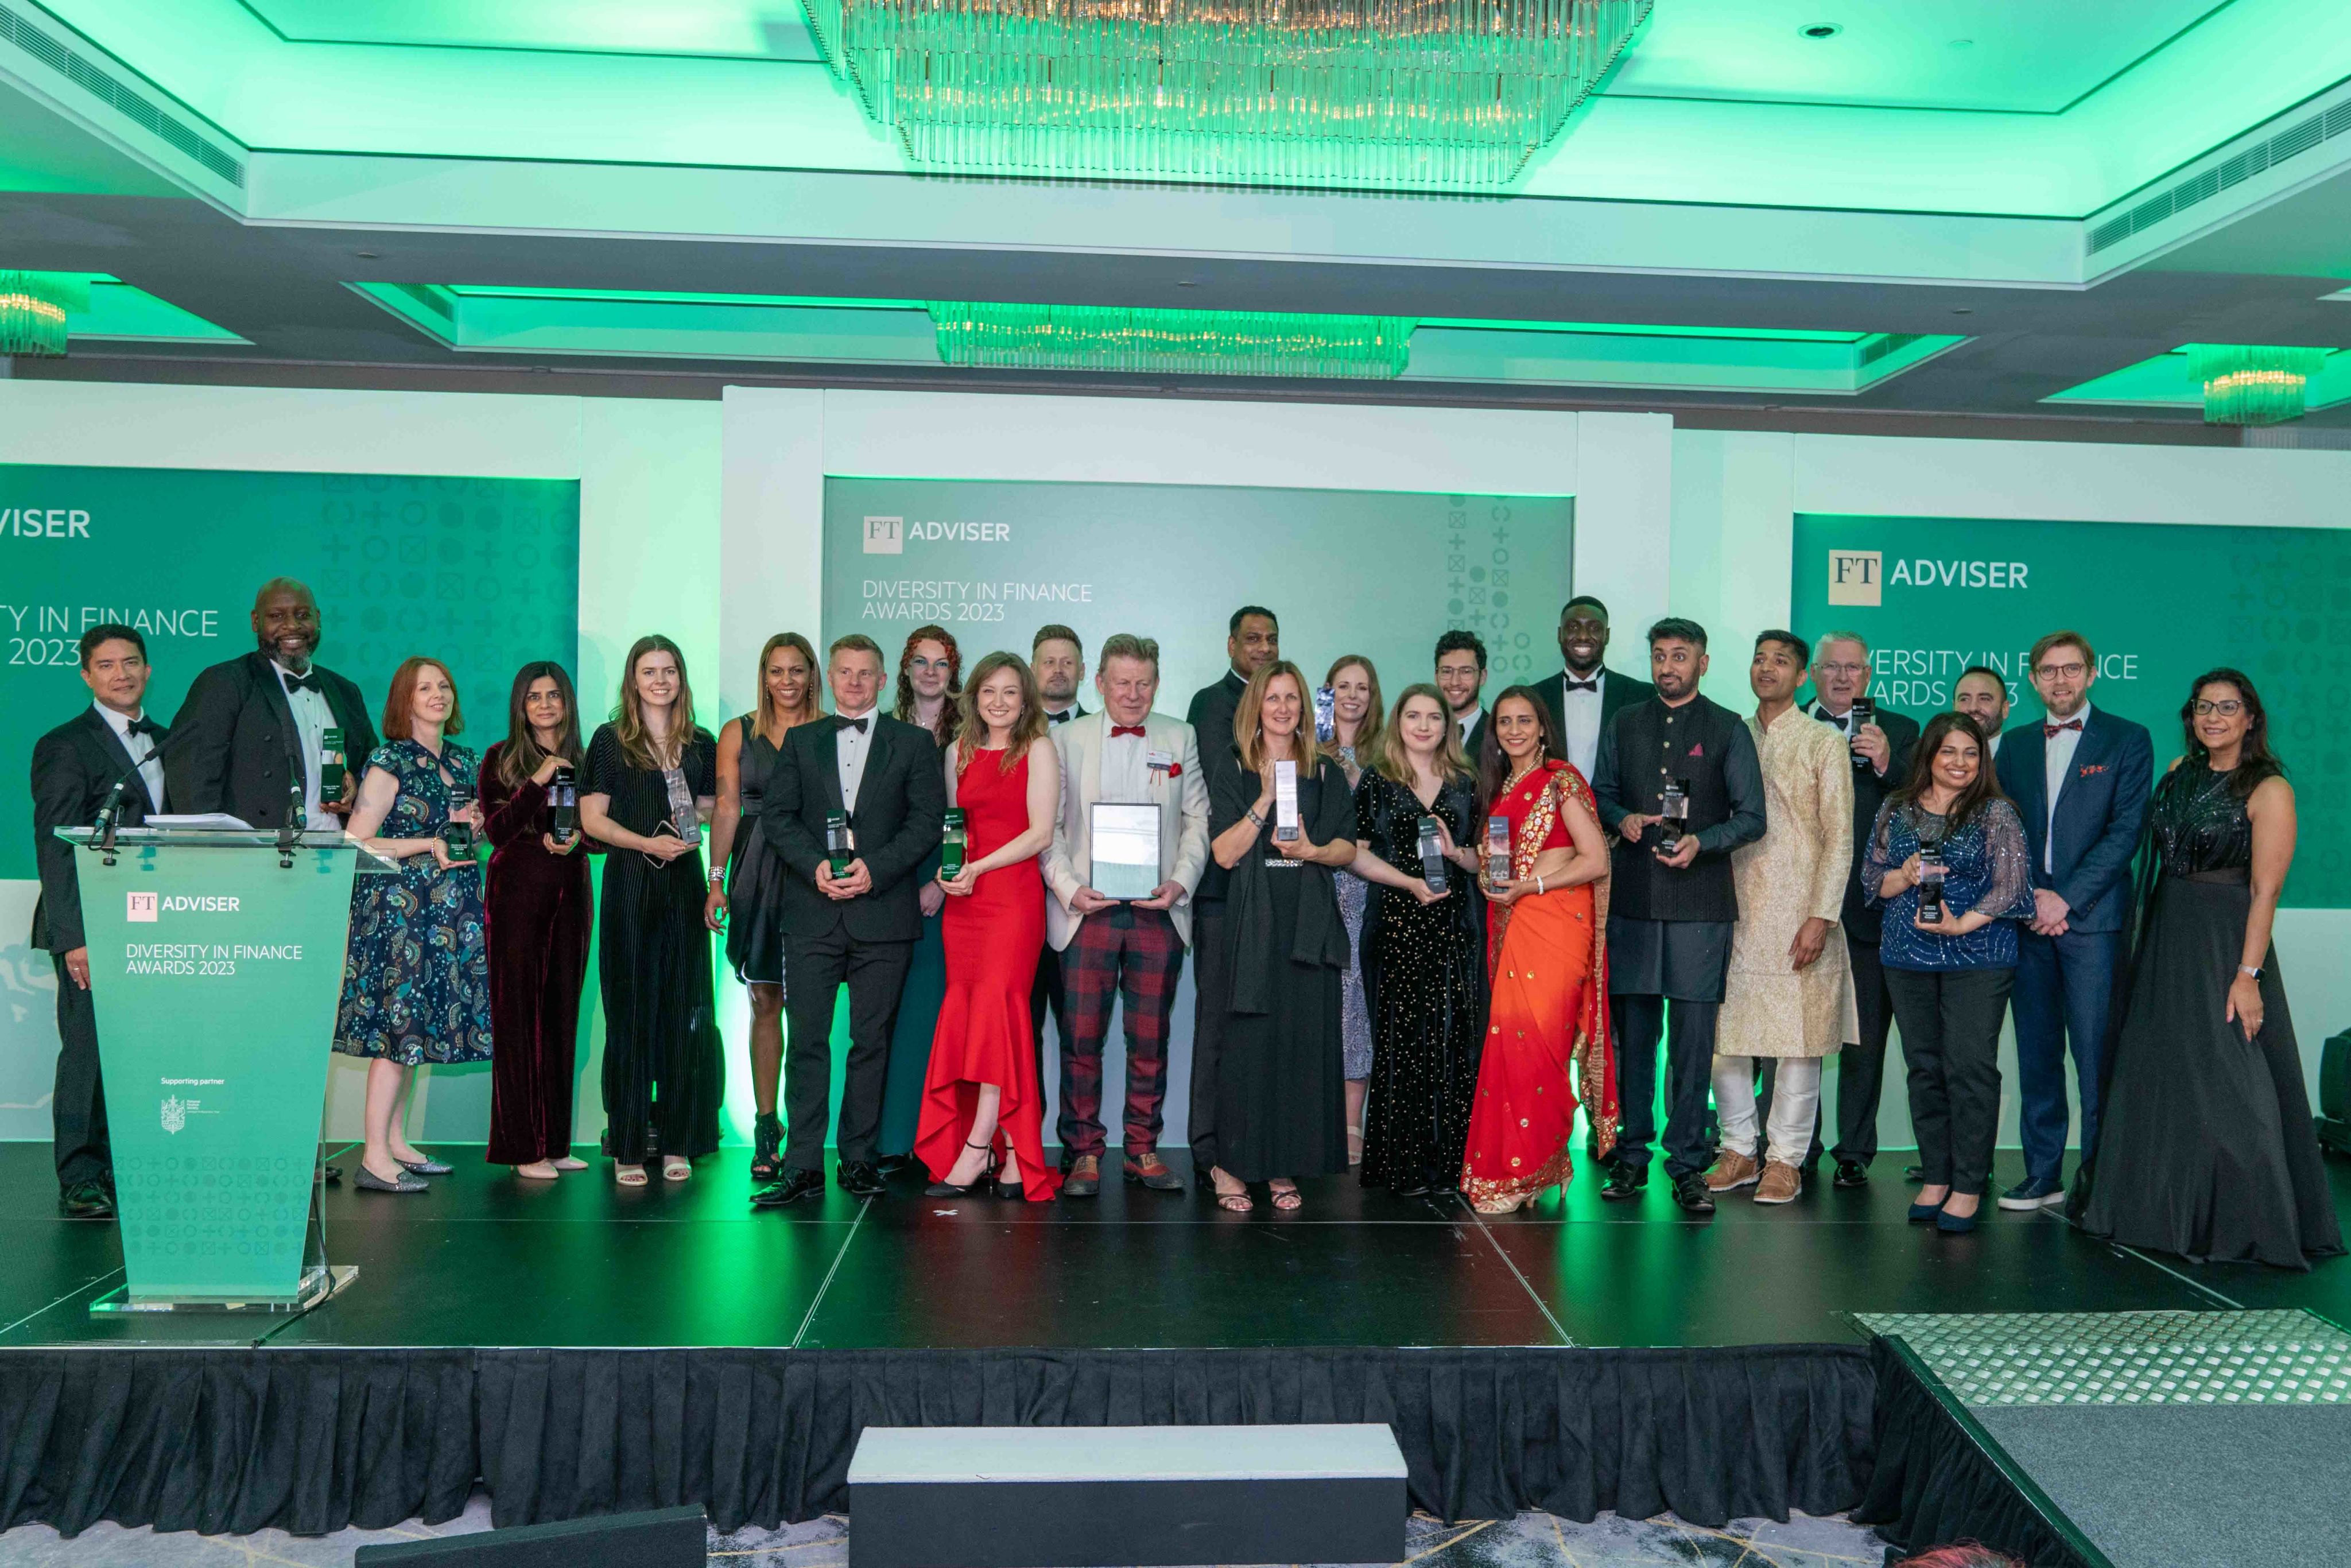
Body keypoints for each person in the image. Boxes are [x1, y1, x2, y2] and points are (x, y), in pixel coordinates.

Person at [2071, 671, 2342, 1269]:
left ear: (2251, 718)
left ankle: (2244, 1219)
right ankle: (2158, 1213)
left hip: (2224, 943)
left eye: (2227, 707)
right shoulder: (2177, 771)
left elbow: (2265, 891)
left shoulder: (2270, 789)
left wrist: (2248, 975)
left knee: (2229, 1075)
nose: (2213, 717)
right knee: (2164, 1071)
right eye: (2203, 707)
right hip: (2167, 936)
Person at [757, 634, 946, 1205]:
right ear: (830, 679)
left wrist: (876, 870)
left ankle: (859, 1159)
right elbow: (778, 816)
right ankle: (802, 1165)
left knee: (871, 1042)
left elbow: (926, 822)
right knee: (807, 1043)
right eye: (845, 672)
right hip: (810, 913)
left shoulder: (914, 743)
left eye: (867, 673)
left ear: (884, 681)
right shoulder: (801, 740)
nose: (856, 682)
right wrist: (815, 865)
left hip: (883, 914)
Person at [1593, 618, 1766, 1216]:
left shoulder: (1727, 727)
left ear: (1703, 663)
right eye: (1660, 656)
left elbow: (1752, 816)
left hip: (1700, 905)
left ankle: (1689, 1164)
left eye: (1680, 656)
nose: (1668, 666)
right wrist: (1621, 818)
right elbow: (1599, 793)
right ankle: (1630, 1154)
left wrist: (1702, 841)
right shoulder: (1625, 721)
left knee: (1694, 1046)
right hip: (1634, 903)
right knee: (1634, 1040)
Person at [1042, 635, 1210, 1196]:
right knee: (1081, 1039)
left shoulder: (1179, 736)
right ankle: (1083, 1153)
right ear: (1100, 683)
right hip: (1086, 911)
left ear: (1157, 683)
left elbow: (1197, 820)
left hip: (1156, 910)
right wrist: (1070, 889)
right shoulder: (1063, 739)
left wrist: (1180, 881)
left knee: (1150, 1038)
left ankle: (1142, 1148)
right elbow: (1048, 827)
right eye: (1122, 682)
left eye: (1143, 683)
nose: (1133, 694)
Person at [1992, 630, 2152, 1211]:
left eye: (2071, 668)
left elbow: (2125, 832)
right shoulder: (2014, 744)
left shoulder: (2128, 738)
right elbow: (2001, 828)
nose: (2060, 680)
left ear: (2091, 673)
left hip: (2093, 924)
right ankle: (2043, 1173)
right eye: (2048, 670)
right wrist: (2032, 898)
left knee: (2095, 1059)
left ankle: (2100, 1180)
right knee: (2036, 1056)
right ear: (2033, 679)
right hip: (2028, 921)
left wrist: (2065, 900)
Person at [1867, 713, 2035, 1233]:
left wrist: (1961, 924)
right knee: (1924, 1068)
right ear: (1929, 756)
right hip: (1906, 955)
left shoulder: (1996, 813)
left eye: (1971, 753)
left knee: (1970, 1068)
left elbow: (2013, 888)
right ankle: (1936, 1177)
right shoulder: (1895, 808)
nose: (1960, 763)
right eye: (1949, 751)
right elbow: (1872, 880)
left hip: (1978, 955)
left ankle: (1967, 1184)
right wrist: (1902, 875)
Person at [333, 657, 492, 1193]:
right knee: (395, 1031)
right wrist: (430, 842)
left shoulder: (466, 760)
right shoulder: (389, 759)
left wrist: (475, 826)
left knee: (416, 1031)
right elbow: (356, 842)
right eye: (425, 688)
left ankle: (398, 1144)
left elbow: (469, 836)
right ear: (405, 699)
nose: (438, 695)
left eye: (444, 686)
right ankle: (374, 1157)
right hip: (399, 913)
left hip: (450, 908)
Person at [1205, 660, 1357, 1212]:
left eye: (1292, 698)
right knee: (1248, 1048)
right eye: (1273, 697)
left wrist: (1313, 849)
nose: (1283, 707)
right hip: (1253, 923)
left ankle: (1281, 1167)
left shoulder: (1326, 771)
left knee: (1299, 1048)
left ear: (1304, 707)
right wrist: (1266, 797)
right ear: (1257, 706)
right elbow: (1224, 854)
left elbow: (1348, 847)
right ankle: (1230, 1166)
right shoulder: (1233, 766)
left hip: (1308, 925)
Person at [1710, 631, 1853, 1205]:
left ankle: (1785, 1159)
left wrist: (1821, 915)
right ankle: (1737, 1149)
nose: (1766, 669)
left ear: (1802, 676)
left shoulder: (1823, 741)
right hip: (1731, 909)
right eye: (1759, 659)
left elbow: (1839, 838)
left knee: (1798, 1039)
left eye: (1781, 661)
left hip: (1800, 912)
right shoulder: (1730, 735)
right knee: (1725, 1037)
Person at [1459, 688, 1616, 1214]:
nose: (1514, 730)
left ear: (1543, 728)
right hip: (1515, 925)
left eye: (1524, 720)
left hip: (1556, 926)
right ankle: (1539, 1167)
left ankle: (1531, 1171)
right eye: (1505, 722)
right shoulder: (1501, 789)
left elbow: (1595, 859)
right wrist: (1472, 862)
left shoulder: (1560, 779)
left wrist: (1533, 887)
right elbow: (1500, 867)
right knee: (1512, 1047)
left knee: (1539, 1049)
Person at [30, 624, 168, 1219]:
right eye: (107, 665)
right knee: (88, 1050)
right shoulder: (64, 744)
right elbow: (56, 846)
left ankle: (125, 1166)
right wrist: (76, 938)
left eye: (131, 662)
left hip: (158, 921)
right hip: (93, 923)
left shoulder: (170, 741)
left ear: (148, 669)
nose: (121, 674)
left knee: (143, 1049)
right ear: (87, 676)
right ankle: (81, 1175)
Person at [916, 653, 1064, 1201]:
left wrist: (978, 868)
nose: (998, 702)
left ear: (1025, 702)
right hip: (967, 906)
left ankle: (978, 1146)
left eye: (1010, 693)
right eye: (988, 692)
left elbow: (1041, 834)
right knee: (973, 1020)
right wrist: (951, 872)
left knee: (1000, 1018)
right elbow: (955, 830)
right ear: (973, 697)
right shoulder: (956, 752)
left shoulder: (1039, 749)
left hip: (1012, 903)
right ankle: (1013, 1152)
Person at [579, 635, 723, 1186]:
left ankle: (681, 1140)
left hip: (684, 884)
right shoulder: (610, 740)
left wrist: (702, 816)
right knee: (632, 1014)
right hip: (631, 883)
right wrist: (645, 841)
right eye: (649, 671)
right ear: (633, 680)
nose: (660, 681)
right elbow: (592, 819)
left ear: (681, 678)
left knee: (686, 1012)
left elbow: (709, 809)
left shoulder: (701, 741)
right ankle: (629, 1145)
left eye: (669, 671)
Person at [1347, 684, 1482, 1196]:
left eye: (1434, 717)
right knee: (1402, 1043)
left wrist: (1456, 853)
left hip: (1454, 928)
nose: (1424, 726)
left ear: (1448, 726)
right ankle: (1402, 1168)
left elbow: (1482, 859)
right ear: (1398, 723)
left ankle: (1449, 1168)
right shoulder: (1377, 779)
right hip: (1395, 924)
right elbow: (1355, 853)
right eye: (1413, 716)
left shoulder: (1467, 783)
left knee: (1452, 1043)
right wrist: (1408, 883)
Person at [704, 632, 823, 1183]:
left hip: (813, 871)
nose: (787, 681)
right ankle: (766, 1126)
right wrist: (716, 880)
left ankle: (808, 1135)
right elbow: (727, 808)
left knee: (812, 1006)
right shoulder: (738, 731)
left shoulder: (832, 729)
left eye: (797, 670)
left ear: (811, 675)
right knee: (764, 999)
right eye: (777, 671)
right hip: (754, 871)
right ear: (764, 676)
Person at [1806, 630, 1921, 1189]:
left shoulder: (1900, 731)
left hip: (1870, 908)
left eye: (1853, 668)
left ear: (1868, 675)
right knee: (1799, 1036)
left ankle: (1853, 1149)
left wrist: (1885, 762)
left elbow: (1923, 800)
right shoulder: (1791, 725)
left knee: (1865, 1037)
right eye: (1832, 667)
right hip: (1800, 908)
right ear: (1812, 674)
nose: (1842, 677)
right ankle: (1795, 1145)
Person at [482, 662, 598, 1180]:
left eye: (554, 695)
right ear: (520, 706)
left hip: (571, 894)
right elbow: (497, 831)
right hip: (516, 895)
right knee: (517, 1020)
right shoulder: (501, 758)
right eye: (534, 697)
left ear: (567, 703)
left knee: (561, 1017)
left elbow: (600, 832)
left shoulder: (587, 760)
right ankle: (521, 1148)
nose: (546, 705)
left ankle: (554, 1142)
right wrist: (538, 779)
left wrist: (578, 840)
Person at [1182, 604, 1278, 1190]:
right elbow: (1227, 791)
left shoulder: (1292, 710)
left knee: (1268, 1027)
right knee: (1216, 1021)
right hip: (1223, 889)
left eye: (1271, 639)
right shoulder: (1210, 703)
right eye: (1252, 639)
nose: (1263, 648)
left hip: (1280, 889)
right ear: (1231, 646)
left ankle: (1261, 1146)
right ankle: (1208, 1149)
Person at [168, 577, 378, 832]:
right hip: (257, 850)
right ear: (256, 621)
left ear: (318, 618)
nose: (292, 626)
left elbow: (373, 767)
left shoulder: (345, 691)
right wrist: (214, 846)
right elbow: (192, 779)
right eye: (277, 616)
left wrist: (356, 789)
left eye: (303, 615)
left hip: (337, 848)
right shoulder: (225, 683)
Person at [876, 626, 963, 1170]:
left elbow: (963, 816)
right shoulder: (882, 729)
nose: (931, 672)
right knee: (885, 1013)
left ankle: (933, 1141)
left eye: (941, 663)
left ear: (954, 672)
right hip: (886, 879)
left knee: (929, 1013)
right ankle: (890, 1138)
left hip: (944, 884)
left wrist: (941, 882)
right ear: (905, 671)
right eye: (921, 662)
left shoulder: (970, 731)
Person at [1323, 654, 1383, 1163]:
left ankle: (1350, 1123)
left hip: (1366, 893)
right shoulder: (1304, 750)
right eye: (1343, 686)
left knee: (1355, 1007)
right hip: (1315, 886)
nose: (1352, 696)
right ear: (1328, 693)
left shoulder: (1387, 755)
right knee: (1316, 1002)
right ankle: (1309, 1119)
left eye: (1362, 687)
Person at [1029, 623, 1087, 1110]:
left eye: (1067, 662)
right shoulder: (1007, 733)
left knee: (1079, 1033)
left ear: (1084, 672)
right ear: (1032, 669)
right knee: (1022, 1031)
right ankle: (1023, 1137)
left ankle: (1077, 1142)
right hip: (1018, 905)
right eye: (1049, 661)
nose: (1058, 670)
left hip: (1079, 908)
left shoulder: (1100, 733)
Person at [1536, 595, 1654, 782]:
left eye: (1594, 628)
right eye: (1573, 627)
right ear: (1560, 634)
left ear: (1607, 635)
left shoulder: (1641, 695)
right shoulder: (1535, 697)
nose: (1583, 636)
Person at [1434, 630, 1491, 764]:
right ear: (1436, 677)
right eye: (1446, 671)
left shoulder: (1498, 734)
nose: (1455, 682)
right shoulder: (1421, 732)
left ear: (1483, 677)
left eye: (1466, 672)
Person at [1952, 667, 2011, 760]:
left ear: (2005, 709)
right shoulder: (1935, 759)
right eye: (1964, 699)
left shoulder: (2021, 759)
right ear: (1954, 706)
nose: (1973, 708)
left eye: (1984, 699)